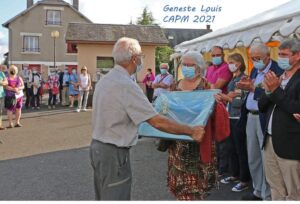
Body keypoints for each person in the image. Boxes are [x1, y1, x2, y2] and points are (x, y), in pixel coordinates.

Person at [90, 37, 205, 201]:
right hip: (113, 153)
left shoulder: (105, 80)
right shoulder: (126, 85)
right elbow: (156, 121)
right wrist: (191, 130)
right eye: (140, 56)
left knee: (103, 195)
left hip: (98, 148)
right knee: (115, 196)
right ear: (134, 59)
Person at [167, 51, 219, 200]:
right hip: (177, 140)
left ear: (199, 67)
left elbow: (213, 112)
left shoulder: (207, 85)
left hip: (199, 140)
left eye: (190, 65)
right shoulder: (175, 85)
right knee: (180, 184)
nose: (186, 67)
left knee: (196, 186)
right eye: (184, 64)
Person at [236, 43, 283, 200]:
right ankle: (257, 190)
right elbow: (253, 87)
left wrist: (252, 89)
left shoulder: (277, 70)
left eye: (258, 58)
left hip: (264, 116)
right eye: (252, 58)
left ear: (267, 57)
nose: (255, 61)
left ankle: (267, 195)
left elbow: (273, 94)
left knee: (266, 159)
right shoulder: (256, 69)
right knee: (253, 156)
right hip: (251, 115)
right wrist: (246, 85)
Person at [258, 39, 300, 200]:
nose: (280, 58)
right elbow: (261, 105)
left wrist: (275, 90)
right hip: (270, 140)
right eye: (279, 54)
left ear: (297, 56)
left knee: (294, 190)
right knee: (275, 186)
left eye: (284, 55)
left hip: (290, 142)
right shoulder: (277, 76)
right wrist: (269, 91)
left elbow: (295, 108)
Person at [214, 53, 251, 192]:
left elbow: (239, 102)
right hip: (229, 116)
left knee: (240, 150)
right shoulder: (233, 78)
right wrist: (228, 97)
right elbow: (232, 99)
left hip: (238, 118)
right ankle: (235, 174)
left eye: (231, 62)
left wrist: (226, 97)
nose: (228, 65)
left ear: (239, 64)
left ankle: (244, 179)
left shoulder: (244, 79)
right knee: (231, 148)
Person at [205, 46, 233, 177]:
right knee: (213, 139)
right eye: (213, 55)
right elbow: (205, 85)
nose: (215, 57)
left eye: (218, 55)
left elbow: (215, 87)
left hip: (222, 107)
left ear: (223, 55)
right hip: (210, 106)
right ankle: (214, 165)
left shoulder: (226, 68)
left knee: (222, 139)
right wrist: (210, 85)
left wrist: (209, 85)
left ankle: (223, 169)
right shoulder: (210, 68)